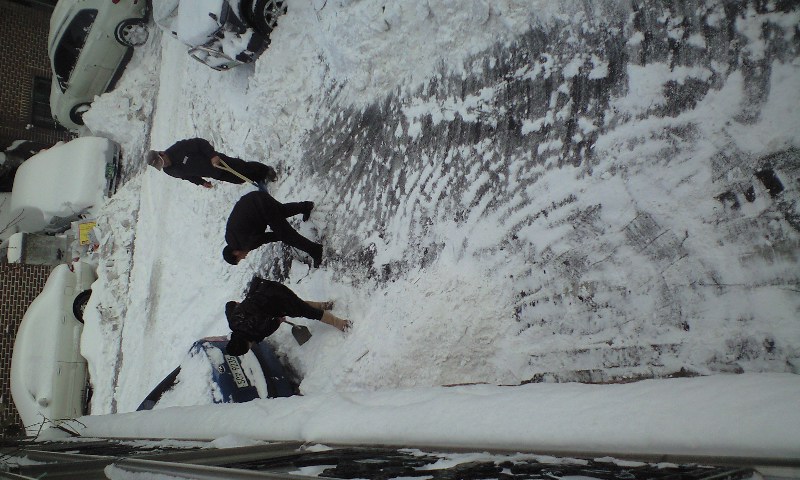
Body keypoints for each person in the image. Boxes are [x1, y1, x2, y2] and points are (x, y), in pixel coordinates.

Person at [225, 277, 351, 356]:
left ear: (246, 345)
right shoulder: (233, 322)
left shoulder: (256, 333)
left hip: (277, 298)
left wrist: (279, 319)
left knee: (306, 311)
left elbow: (275, 322)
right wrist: (244, 306)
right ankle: (323, 305)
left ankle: (340, 323)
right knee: (298, 306)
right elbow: (230, 305)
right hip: (261, 288)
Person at [223, 190, 323, 267]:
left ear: (235, 252)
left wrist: (285, 235)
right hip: (254, 197)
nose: (244, 257)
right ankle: (306, 206)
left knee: (287, 235)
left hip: (261, 207)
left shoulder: (244, 243)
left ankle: (316, 250)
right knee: (281, 211)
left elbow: (268, 237)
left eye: (240, 258)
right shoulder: (231, 237)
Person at [146, 138, 277, 188]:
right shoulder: (169, 171)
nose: (163, 165)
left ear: (162, 154)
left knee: (243, 167)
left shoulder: (179, 148)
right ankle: (258, 179)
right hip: (214, 173)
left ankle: (266, 171)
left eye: (162, 162)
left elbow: (200, 143)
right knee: (238, 179)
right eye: (160, 166)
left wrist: (212, 155)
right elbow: (187, 176)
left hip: (217, 161)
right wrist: (201, 182)